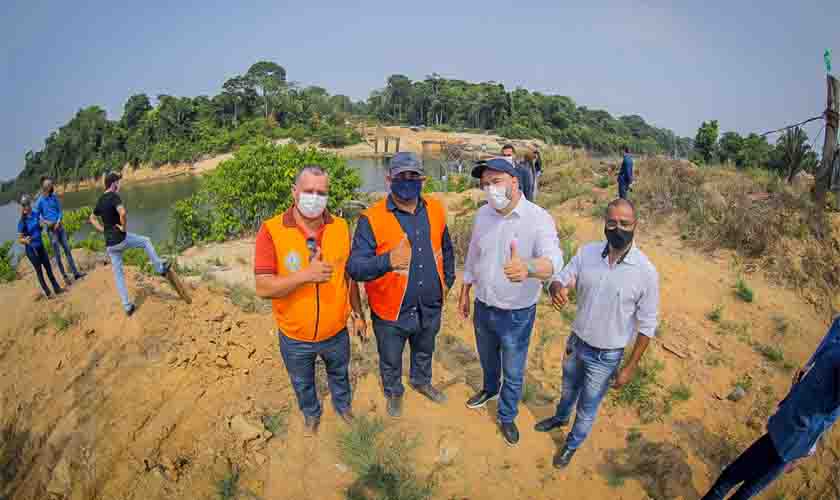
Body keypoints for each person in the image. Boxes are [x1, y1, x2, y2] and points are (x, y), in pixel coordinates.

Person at [537, 198, 659, 468]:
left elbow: (648, 325)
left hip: (606, 357)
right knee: (568, 391)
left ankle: (571, 445)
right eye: (612, 223)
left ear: (635, 225)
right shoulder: (587, 253)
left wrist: (629, 367)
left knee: (587, 407)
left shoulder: (645, 272)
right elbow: (562, 277)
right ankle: (559, 418)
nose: (618, 228)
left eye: (625, 223)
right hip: (576, 343)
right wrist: (558, 289)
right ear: (604, 224)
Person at [254, 165, 367, 435]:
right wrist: (305, 275)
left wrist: (358, 313)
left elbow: (348, 276)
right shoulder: (271, 231)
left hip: (336, 331)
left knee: (339, 375)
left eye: (321, 192)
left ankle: (343, 407)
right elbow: (263, 287)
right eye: (308, 191)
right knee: (303, 382)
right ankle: (311, 414)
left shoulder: (340, 227)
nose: (315, 198)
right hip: (295, 336)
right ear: (295, 192)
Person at [458, 158, 562, 446]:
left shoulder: (538, 218)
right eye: (485, 184)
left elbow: (554, 260)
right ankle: (490, 389)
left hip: (516, 314)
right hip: (483, 306)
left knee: (514, 372)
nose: (490, 189)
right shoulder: (482, 215)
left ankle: (506, 416)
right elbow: (473, 255)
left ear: (514, 181)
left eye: (496, 181)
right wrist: (465, 290)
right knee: (488, 359)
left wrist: (528, 268)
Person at [348, 152, 456, 418]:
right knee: (391, 359)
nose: (407, 181)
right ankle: (394, 392)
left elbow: (446, 249)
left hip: (430, 305)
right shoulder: (371, 218)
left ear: (423, 179)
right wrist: (388, 260)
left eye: (413, 176)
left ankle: (421, 381)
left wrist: (447, 283)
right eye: (401, 176)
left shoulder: (435, 208)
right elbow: (355, 268)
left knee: (424, 350)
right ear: (389, 179)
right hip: (391, 311)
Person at [701, 317, 840, 500]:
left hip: (793, 435)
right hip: (791, 429)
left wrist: (805, 449)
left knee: (731, 480)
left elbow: (829, 412)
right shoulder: (837, 330)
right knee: (742, 488)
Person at [89, 172, 170, 316]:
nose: (119, 185)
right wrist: (124, 228)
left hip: (110, 244)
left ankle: (127, 307)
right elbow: (123, 213)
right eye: (118, 182)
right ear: (113, 184)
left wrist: (103, 229)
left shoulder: (101, 200)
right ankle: (160, 267)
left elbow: (92, 218)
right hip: (121, 239)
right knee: (146, 241)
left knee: (118, 274)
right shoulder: (114, 196)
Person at [35, 176, 85, 284]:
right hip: (51, 231)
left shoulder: (54, 197)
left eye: (51, 184)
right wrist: (45, 222)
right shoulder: (39, 201)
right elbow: (37, 216)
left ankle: (76, 273)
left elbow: (60, 211)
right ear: (44, 186)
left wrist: (58, 221)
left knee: (67, 250)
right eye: (48, 184)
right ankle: (65, 276)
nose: (51, 186)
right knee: (57, 254)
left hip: (60, 228)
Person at [17, 195, 63, 299]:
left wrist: (42, 226)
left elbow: (39, 228)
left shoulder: (35, 214)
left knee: (48, 268)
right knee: (39, 271)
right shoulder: (22, 222)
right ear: (22, 207)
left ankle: (57, 288)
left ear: (30, 204)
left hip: (40, 246)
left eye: (28, 204)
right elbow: (20, 239)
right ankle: (48, 293)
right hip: (31, 250)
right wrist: (25, 240)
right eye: (24, 205)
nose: (27, 206)